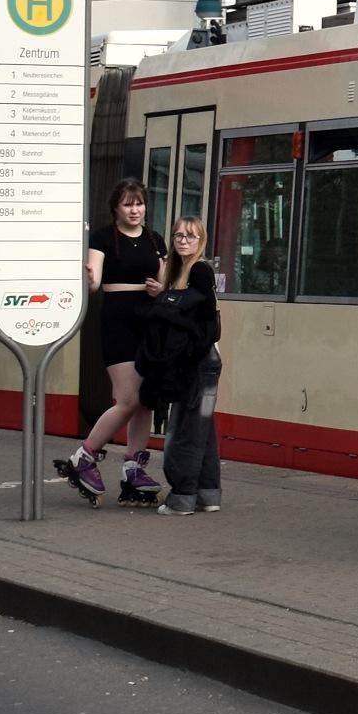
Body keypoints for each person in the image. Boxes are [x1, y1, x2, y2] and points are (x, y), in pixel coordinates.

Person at [66, 181, 167, 505]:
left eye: (139, 204)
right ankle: (84, 456)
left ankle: (133, 468)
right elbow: (93, 279)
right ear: (116, 208)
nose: (134, 210)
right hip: (118, 323)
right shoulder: (102, 237)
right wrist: (90, 278)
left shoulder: (155, 240)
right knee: (128, 398)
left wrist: (159, 290)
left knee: (146, 400)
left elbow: (166, 281)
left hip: (150, 323)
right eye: (127, 204)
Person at [146, 218, 226, 515]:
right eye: (178, 235)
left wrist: (165, 304)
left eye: (191, 236)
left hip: (196, 363)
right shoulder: (181, 272)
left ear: (201, 240)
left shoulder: (199, 270)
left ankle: (182, 496)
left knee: (184, 430)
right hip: (206, 364)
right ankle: (208, 494)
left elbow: (203, 319)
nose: (183, 241)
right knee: (202, 430)